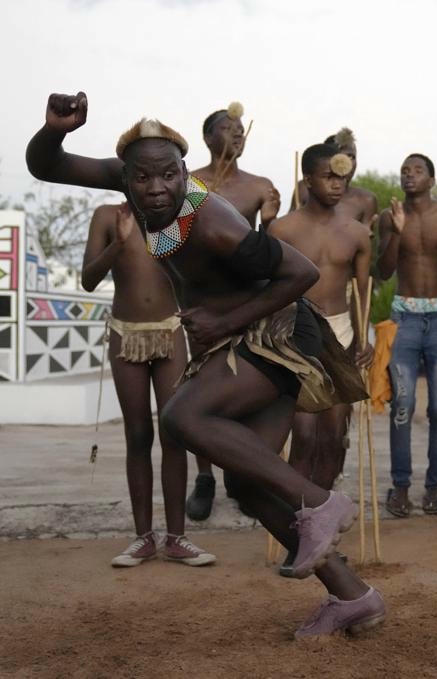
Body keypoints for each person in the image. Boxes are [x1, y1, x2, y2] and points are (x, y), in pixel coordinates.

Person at [27, 92, 385, 637]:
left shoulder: (213, 221)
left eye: (168, 177)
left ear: (182, 172)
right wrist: (55, 130)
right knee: (248, 483)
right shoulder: (133, 183)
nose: (156, 190)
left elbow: (301, 274)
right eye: (143, 179)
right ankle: (352, 596)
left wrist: (223, 322)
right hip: (239, 338)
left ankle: (319, 503)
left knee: (180, 417)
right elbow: (45, 165)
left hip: (278, 332)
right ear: (128, 176)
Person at [81, 204, 215, 568]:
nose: (150, 183)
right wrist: (117, 245)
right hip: (125, 334)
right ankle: (143, 538)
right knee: (137, 434)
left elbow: (199, 270)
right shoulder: (108, 217)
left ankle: (176, 538)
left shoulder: (176, 216)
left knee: (174, 431)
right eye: (140, 172)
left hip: (170, 331)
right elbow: (88, 280)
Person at [268, 146, 373, 574]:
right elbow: (269, 288)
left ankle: (323, 529)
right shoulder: (281, 229)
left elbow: (363, 291)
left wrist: (365, 338)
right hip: (296, 335)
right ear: (307, 180)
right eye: (328, 176)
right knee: (304, 438)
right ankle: (299, 530)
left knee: (333, 437)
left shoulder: (359, 233)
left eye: (342, 177)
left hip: (343, 332)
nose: (337, 184)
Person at [187, 102, 282, 519]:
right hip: (202, 299)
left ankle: (241, 472)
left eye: (242, 128)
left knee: (244, 387)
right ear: (208, 137)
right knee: (198, 388)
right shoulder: (188, 184)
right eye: (228, 128)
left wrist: (272, 221)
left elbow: (273, 250)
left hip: (248, 304)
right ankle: (204, 474)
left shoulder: (260, 186)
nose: (238, 134)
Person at [375, 153, 437, 517]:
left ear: (432, 179)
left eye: (416, 171)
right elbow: (383, 271)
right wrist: (396, 233)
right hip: (405, 317)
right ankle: (400, 488)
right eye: (404, 171)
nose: (408, 175)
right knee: (402, 404)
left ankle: (434, 488)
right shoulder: (390, 216)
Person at [290, 128, 378, 226]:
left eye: (352, 157)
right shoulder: (304, 188)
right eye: (342, 157)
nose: (348, 163)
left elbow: (366, 236)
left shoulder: (366, 200)